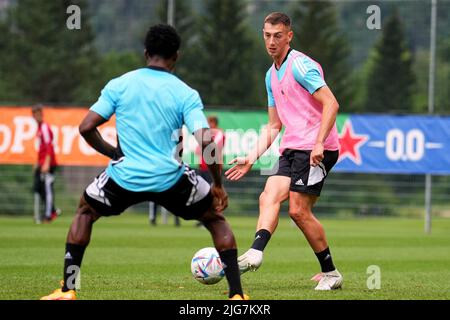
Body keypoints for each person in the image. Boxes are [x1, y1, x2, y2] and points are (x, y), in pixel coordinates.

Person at [41, 24, 247, 300]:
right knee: (214, 219)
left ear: (146, 53)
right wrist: (218, 185)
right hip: (171, 178)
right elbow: (206, 141)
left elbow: (86, 126)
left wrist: (114, 153)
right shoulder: (185, 92)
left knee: (84, 213)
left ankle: (68, 291)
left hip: (124, 176)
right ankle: (236, 296)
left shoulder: (119, 84)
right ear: (176, 56)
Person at [225, 12, 343, 291]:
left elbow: (332, 104)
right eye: (267, 35)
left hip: (318, 148)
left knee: (298, 211)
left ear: (289, 36)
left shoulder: (301, 66)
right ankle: (255, 253)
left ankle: (331, 273)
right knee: (269, 195)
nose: (271, 41)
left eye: (278, 35)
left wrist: (317, 143)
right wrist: (251, 158)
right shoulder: (270, 75)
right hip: (292, 147)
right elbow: (274, 124)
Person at [31, 104, 60, 223]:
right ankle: (53, 210)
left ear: (41, 114)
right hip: (42, 163)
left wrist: (46, 163)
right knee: (38, 187)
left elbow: (49, 146)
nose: (36, 116)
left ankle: (49, 214)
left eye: (38, 114)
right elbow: (41, 149)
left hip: (48, 164)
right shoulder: (39, 128)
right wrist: (38, 163)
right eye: (34, 114)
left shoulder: (44, 127)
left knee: (47, 189)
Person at [195, 115, 225, 227]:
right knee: (203, 192)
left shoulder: (219, 133)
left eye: (209, 122)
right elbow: (197, 150)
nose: (208, 125)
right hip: (203, 166)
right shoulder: (206, 134)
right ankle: (203, 217)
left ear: (214, 123)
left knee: (214, 192)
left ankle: (216, 216)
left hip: (213, 168)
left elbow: (212, 148)